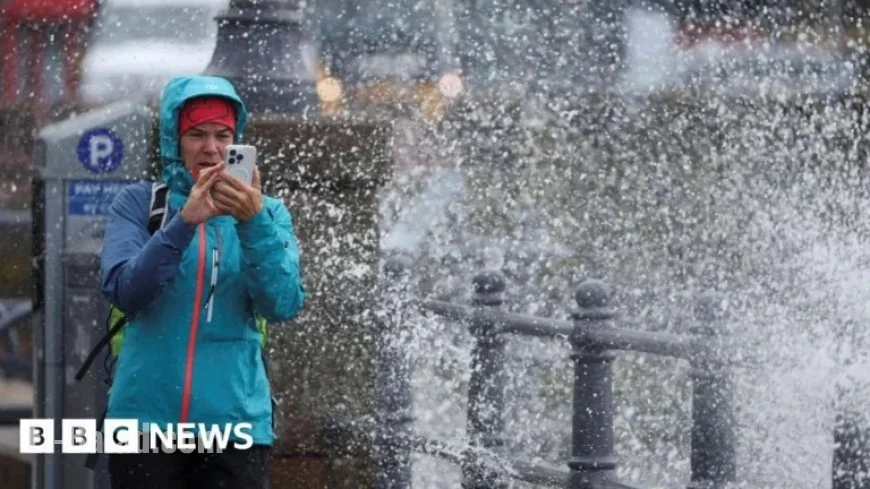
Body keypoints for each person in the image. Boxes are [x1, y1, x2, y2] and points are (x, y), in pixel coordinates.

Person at [99, 75, 305, 488]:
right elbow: (125, 290)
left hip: (236, 427)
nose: (211, 148)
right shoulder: (140, 205)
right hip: (145, 423)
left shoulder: (268, 214)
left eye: (222, 134)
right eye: (196, 134)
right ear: (174, 141)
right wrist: (183, 223)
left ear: (237, 142)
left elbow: (282, 303)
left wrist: (252, 223)